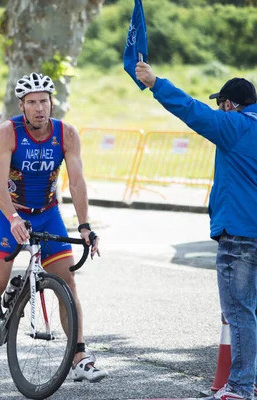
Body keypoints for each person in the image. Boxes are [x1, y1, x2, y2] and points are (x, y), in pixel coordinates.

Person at [0, 72, 105, 382]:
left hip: (48, 213)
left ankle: (79, 354)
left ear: (52, 103)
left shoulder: (66, 134)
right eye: (32, 103)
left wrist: (83, 225)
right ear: (22, 106)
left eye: (44, 101)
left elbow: (78, 182)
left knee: (67, 284)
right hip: (10, 212)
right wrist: (13, 218)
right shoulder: (7, 132)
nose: (40, 108)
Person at [135, 64, 257, 400]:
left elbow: (191, 110)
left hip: (240, 235)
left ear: (230, 105)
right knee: (252, 312)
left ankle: (241, 388)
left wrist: (155, 83)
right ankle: (248, 382)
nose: (219, 109)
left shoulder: (235, 126)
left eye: (222, 104)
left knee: (239, 313)